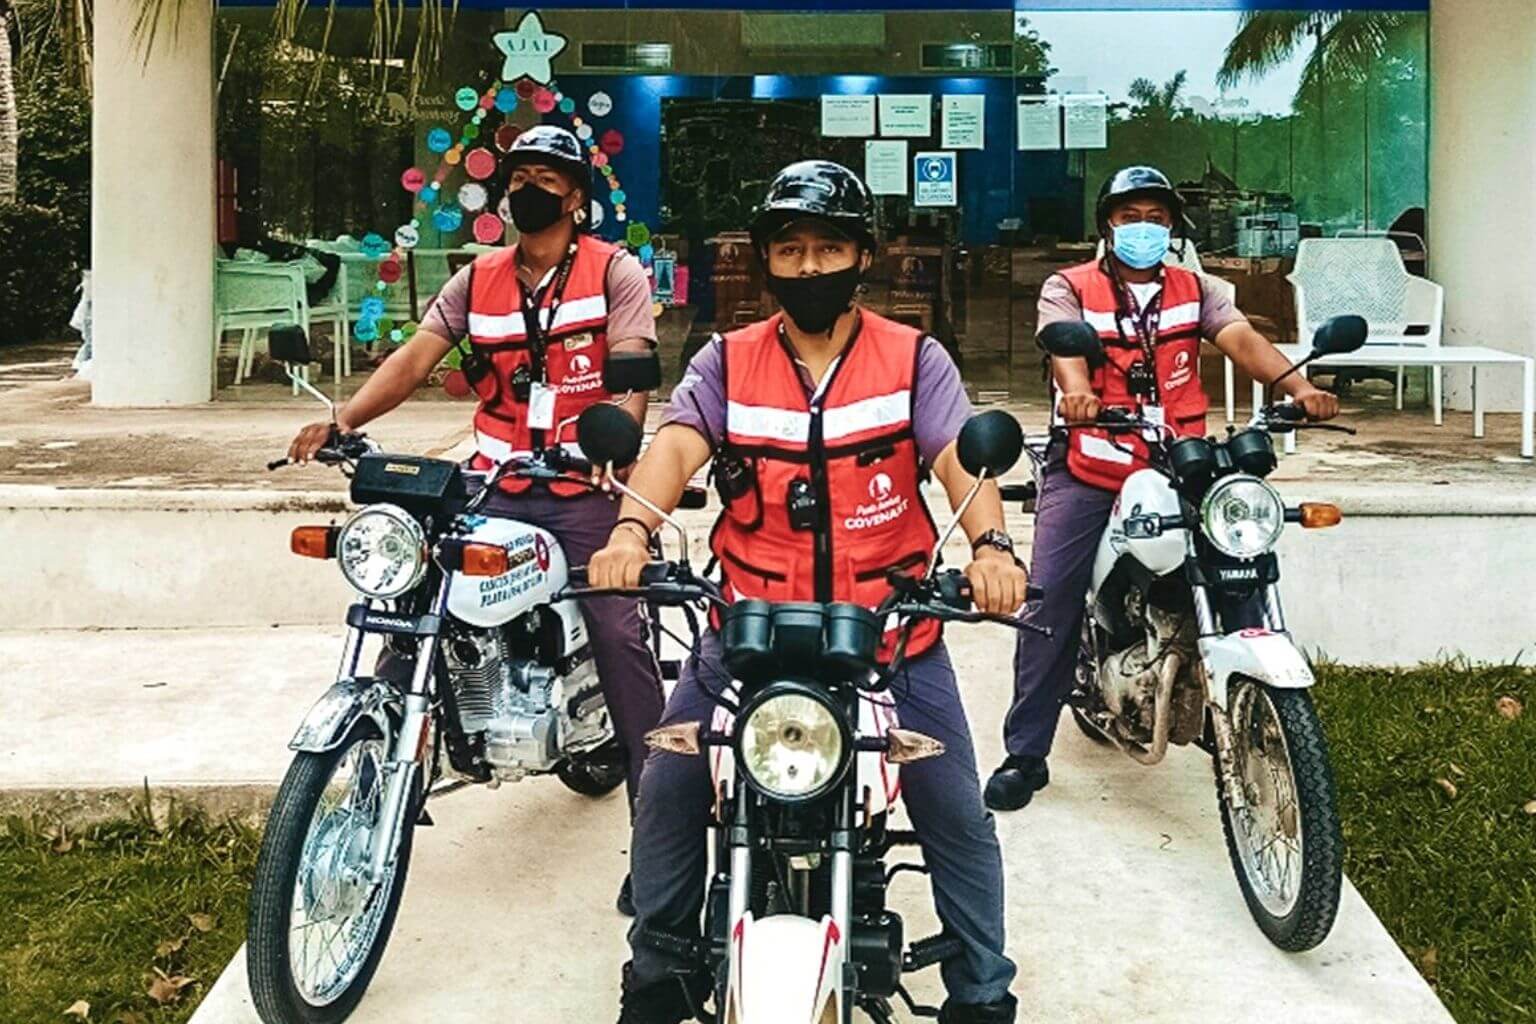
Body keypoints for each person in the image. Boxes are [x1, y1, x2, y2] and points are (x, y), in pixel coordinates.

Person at [587, 160, 1027, 1024]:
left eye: (830, 247)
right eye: (791, 249)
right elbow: (674, 446)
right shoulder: (726, 360)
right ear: (766, 262)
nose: (811, 266)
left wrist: (994, 546)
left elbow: (957, 461)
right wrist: (630, 532)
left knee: (957, 817)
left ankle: (982, 990)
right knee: (670, 793)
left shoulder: (914, 358)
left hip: (889, 637)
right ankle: (661, 969)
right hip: (744, 631)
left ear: (862, 255)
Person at [287, 125, 666, 910]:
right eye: (519, 173)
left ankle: (663, 833)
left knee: (620, 631)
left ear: (575, 196)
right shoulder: (476, 279)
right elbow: (414, 359)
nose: (529, 185)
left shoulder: (616, 272)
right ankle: (391, 758)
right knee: (408, 598)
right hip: (492, 476)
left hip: (579, 486)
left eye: (546, 177)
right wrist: (344, 421)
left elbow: (632, 370)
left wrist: (615, 441)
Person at [984, 166, 1341, 812]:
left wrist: (1298, 388)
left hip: (1183, 461)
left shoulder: (1196, 289)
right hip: (1093, 462)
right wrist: (1080, 393)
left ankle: (1254, 711)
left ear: (1173, 226)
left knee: (1239, 563)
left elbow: (1241, 340)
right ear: (1107, 225)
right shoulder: (1071, 287)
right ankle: (1026, 751)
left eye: (1156, 216)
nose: (1143, 228)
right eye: (1129, 216)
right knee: (1049, 601)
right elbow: (1063, 352)